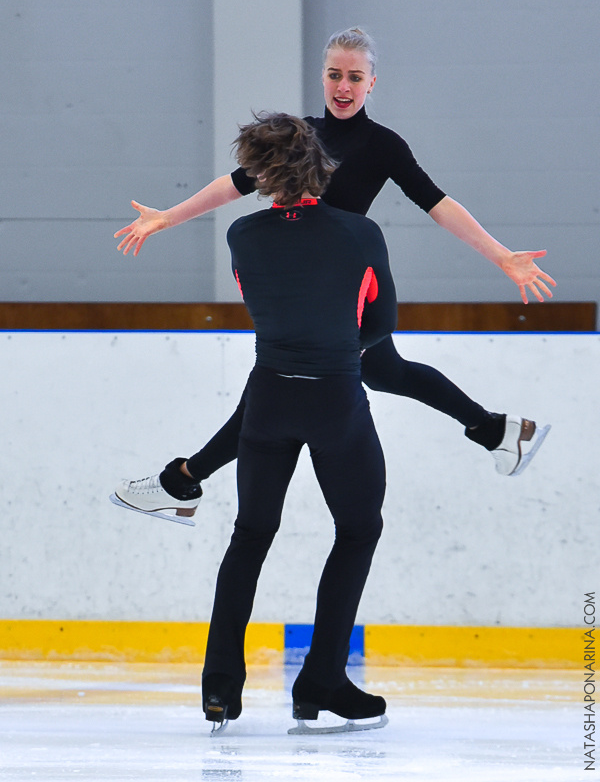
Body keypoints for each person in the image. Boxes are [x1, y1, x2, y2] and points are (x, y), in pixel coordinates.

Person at [112, 27, 555, 521]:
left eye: (355, 77)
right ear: (322, 78)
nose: (344, 87)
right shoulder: (300, 135)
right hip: (304, 290)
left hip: (338, 294)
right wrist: (168, 216)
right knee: (383, 372)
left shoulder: (382, 144)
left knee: (273, 398)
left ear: (372, 84)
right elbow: (236, 183)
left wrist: (501, 256)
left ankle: (181, 483)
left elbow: (437, 202)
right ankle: (496, 431)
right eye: (334, 75)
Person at [200, 112, 396, 733]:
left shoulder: (242, 235)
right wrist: (338, 345)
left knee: (251, 535)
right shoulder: (359, 233)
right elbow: (380, 324)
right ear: (320, 165)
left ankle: (220, 688)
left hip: (269, 398)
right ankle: (321, 680)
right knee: (358, 529)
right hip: (335, 396)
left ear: (258, 171)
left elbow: (260, 303)